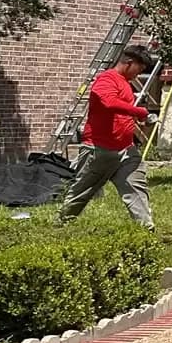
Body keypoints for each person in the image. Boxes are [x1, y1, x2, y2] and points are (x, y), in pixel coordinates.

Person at [57, 44, 156, 230]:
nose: (139, 74)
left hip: (126, 150)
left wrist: (138, 119)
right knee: (81, 192)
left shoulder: (125, 84)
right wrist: (140, 111)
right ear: (129, 62)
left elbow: (121, 110)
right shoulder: (106, 79)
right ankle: (61, 225)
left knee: (136, 188)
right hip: (99, 149)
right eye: (139, 69)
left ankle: (147, 230)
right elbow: (109, 103)